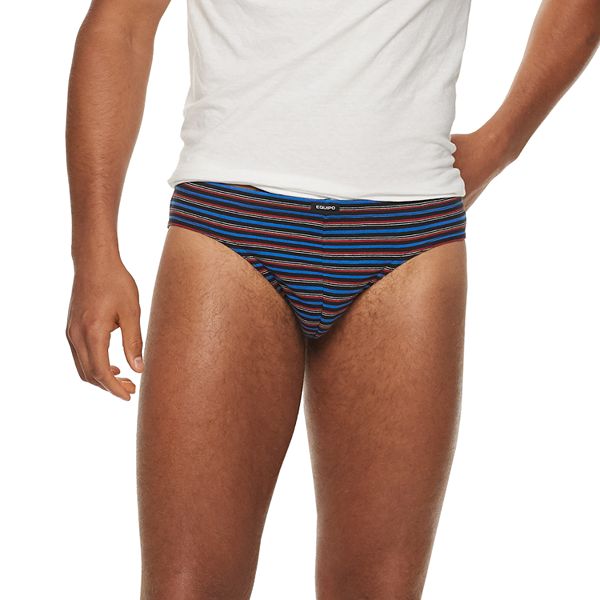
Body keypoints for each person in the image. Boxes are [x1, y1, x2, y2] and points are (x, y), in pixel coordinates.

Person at [65, 0, 599, 598]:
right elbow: (120, 23)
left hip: (408, 234)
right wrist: (94, 251)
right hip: (231, 222)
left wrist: (501, 144)